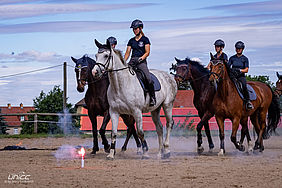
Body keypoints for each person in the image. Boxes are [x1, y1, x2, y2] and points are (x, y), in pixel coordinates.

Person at [124, 19, 156, 106]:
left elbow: (147, 52)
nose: (134, 30)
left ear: (141, 28)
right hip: (132, 60)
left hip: (141, 61)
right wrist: (123, 62)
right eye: (133, 29)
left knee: (148, 79)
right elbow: (127, 53)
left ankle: (152, 97)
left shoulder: (145, 39)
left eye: (136, 28)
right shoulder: (131, 41)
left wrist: (141, 58)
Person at [228, 41, 254, 110]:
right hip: (233, 76)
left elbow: (246, 70)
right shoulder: (232, 58)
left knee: (244, 86)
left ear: (242, 49)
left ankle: (248, 101)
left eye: (240, 48)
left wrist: (239, 70)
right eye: (237, 48)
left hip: (240, 76)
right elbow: (228, 67)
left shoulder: (245, 59)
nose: (238, 49)